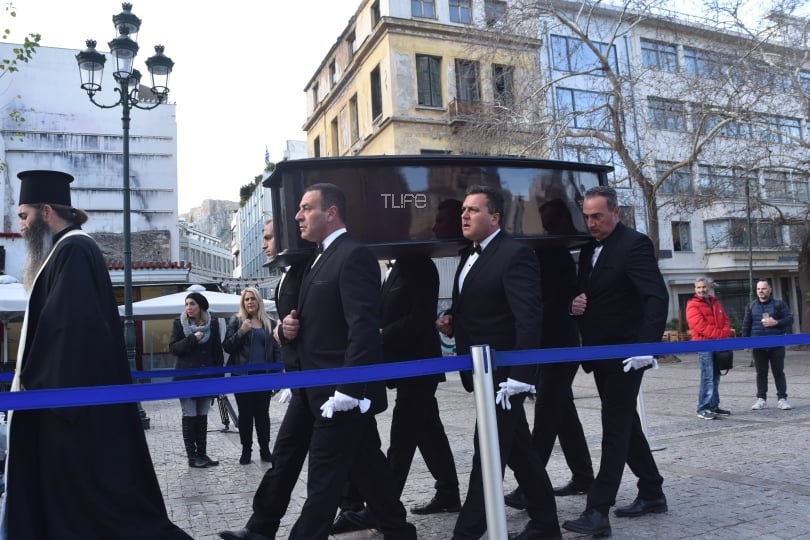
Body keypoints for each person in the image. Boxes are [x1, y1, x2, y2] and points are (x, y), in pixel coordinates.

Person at [219, 183, 416, 540]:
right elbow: (318, 322)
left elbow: (363, 329)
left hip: (338, 393)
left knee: (324, 478)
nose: (298, 216)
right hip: (309, 387)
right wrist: (287, 330)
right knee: (357, 465)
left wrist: (349, 390)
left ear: (331, 213)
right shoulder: (315, 259)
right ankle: (398, 531)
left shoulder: (354, 256)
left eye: (306, 208)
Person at [1, 169, 191, 539]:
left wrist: (36, 383)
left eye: (24, 216)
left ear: (45, 211)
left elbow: (70, 330)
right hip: (69, 405)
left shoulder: (73, 250)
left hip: (70, 410)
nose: (21, 226)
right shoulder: (65, 251)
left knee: (97, 508)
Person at [436, 184, 561, 540]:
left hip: (505, 376)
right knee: (519, 450)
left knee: (487, 448)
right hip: (481, 372)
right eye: (464, 209)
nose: (464, 215)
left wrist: (521, 376)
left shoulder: (515, 254)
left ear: (495, 218)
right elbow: (479, 304)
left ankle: (469, 530)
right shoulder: (468, 254)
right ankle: (546, 524)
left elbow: (528, 318)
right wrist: (453, 318)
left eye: (473, 210)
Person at [562, 186, 668, 538]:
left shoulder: (635, 244)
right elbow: (586, 293)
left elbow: (656, 296)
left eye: (598, 216)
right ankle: (652, 491)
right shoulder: (588, 249)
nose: (591, 223)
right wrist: (574, 305)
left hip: (627, 357)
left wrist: (646, 348)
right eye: (587, 217)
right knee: (626, 424)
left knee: (614, 428)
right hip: (599, 354)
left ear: (616, 212)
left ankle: (597, 510)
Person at [333, 254, 461, 534]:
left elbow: (419, 318)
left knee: (402, 440)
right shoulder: (396, 267)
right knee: (429, 432)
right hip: (404, 367)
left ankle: (382, 509)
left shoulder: (419, 265)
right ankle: (448, 492)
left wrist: (381, 334)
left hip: (418, 367)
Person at [505, 199, 594, 511]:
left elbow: (554, 303)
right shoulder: (543, 253)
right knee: (563, 413)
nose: (544, 228)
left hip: (559, 346)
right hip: (550, 346)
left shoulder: (554, 256)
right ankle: (583, 475)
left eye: (549, 222)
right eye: (542, 222)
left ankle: (530, 487)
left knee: (545, 416)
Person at [223, 287, 281, 464]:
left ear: (259, 301)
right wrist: (242, 331)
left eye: (253, 298)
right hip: (241, 376)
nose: (250, 302)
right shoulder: (236, 321)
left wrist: (277, 377)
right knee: (245, 414)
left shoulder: (270, 323)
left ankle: (265, 449)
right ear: (243, 303)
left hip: (264, 376)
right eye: (246, 299)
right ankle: (246, 450)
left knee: (262, 415)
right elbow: (227, 346)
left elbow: (276, 352)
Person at [170, 291, 224, 468]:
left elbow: (217, 352)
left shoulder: (213, 323)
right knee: (190, 415)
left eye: (192, 304)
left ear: (200, 306)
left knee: (202, 417)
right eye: (186, 304)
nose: (188, 307)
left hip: (207, 378)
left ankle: (202, 454)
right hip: (186, 378)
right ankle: (192, 457)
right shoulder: (179, 323)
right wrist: (192, 338)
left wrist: (218, 381)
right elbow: (174, 348)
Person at [743, 279, 794, 411]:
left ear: (770, 290)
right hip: (758, 345)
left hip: (776, 344)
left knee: (778, 372)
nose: (761, 291)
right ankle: (761, 399)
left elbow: (790, 319)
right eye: (758, 289)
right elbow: (746, 325)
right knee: (761, 373)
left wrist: (776, 322)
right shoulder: (751, 305)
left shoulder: (779, 304)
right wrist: (745, 342)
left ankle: (782, 399)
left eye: (764, 288)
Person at [686, 277, 733, 420]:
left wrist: (724, 333)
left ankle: (713, 405)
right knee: (707, 377)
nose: (702, 290)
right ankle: (703, 408)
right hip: (704, 345)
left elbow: (726, 320)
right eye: (699, 287)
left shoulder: (715, 303)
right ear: (695, 289)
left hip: (717, 344)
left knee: (716, 377)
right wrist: (720, 335)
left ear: (709, 287)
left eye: (704, 287)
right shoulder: (692, 305)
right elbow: (700, 326)